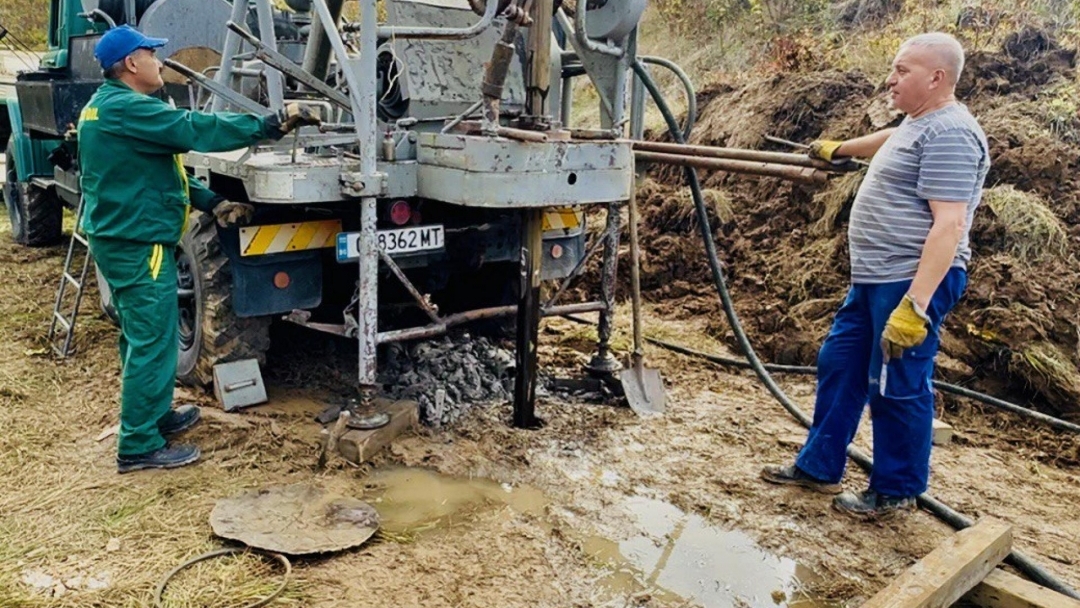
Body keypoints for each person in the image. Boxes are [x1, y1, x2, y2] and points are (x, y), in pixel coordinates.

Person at [760, 32, 990, 518]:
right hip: (875, 276)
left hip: (911, 281)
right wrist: (840, 148)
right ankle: (819, 465)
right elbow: (892, 139)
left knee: (896, 380)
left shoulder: (951, 133)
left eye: (903, 71)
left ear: (937, 78)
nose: (891, 79)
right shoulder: (919, 122)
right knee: (839, 364)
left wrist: (916, 305)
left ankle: (895, 489)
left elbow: (949, 224)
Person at [77, 25, 319, 473]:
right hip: (138, 243)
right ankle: (138, 445)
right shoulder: (129, 109)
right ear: (132, 63)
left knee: (146, 334)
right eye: (153, 54)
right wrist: (269, 124)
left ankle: (153, 416)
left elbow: (158, 176)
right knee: (152, 337)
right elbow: (195, 129)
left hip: (130, 236)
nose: (161, 61)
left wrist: (214, 201)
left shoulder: (110, 109)